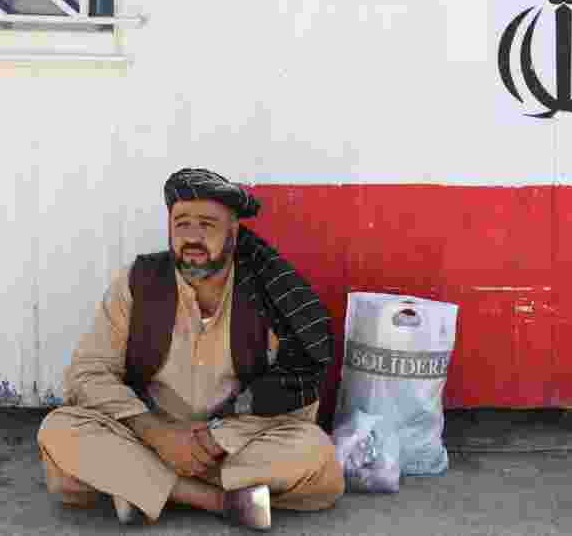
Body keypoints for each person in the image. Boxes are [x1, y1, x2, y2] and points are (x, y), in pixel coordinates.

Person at [37, 168, 344, 530]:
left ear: (233, 232)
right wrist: (156, 433)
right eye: (182, 223)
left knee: (314, 453)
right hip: (148, 434)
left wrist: (216, 440)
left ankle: (142, 489)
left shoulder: (268, 295)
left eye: (207, 225)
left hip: (230, 445)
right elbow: (89, 371)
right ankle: (219, 501)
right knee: (59, 429)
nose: (193, 237)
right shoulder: (139, 282)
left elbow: (298, 401)